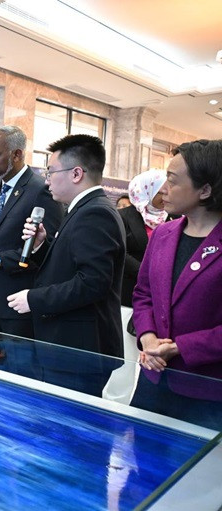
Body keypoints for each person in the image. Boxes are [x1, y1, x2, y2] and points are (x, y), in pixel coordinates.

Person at [8, 134, 126, 396]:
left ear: (76, 174)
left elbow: (93, 283)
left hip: (79, 350)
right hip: (71, 347)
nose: (47, 180)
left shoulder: (95, 212)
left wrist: (34, 299)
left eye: (51, 172)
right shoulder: (83, 209)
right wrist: (42, 245)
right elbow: (69, 264)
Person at [131, 139, 222, 429]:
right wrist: (147, 337)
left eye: (172, 179)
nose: (163, 189)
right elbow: (144, 294)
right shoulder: (164, 234)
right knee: (142, 453)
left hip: (206, 392)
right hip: (153, 378)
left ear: (205, 190)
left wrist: (180, 347)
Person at [0, 126, 63, 340]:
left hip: (19, 305)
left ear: (17, 154)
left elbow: (47, 250)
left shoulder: (41, 189)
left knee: (17, 362)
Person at [118, 169, 168, 307]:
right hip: (129, 291)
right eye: (161, 192)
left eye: (168, 191)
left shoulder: (172, 216)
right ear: (147, 191)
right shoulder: (122, 216)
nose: (166, 196)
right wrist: (147, 274)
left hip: (161, 293)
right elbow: (120, 252)